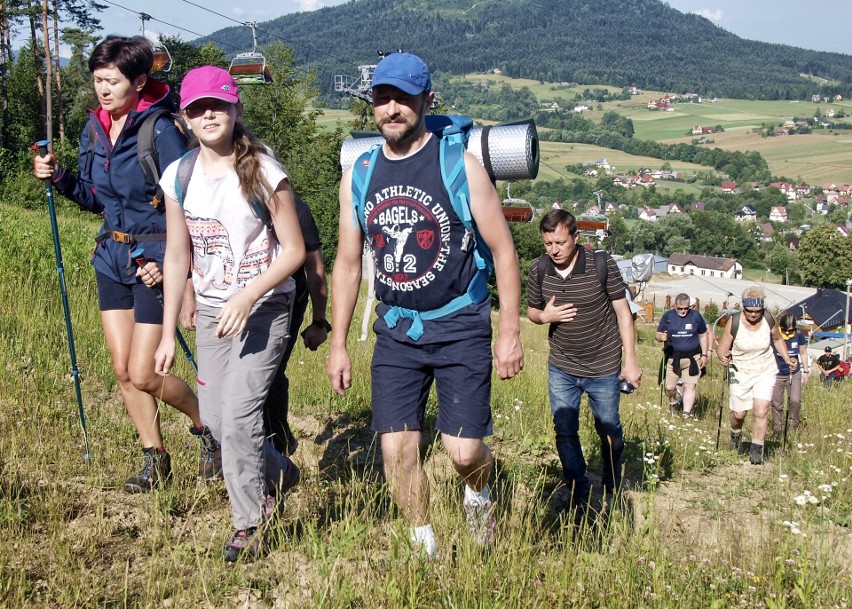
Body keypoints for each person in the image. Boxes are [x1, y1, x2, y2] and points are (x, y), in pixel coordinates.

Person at [326, 53, 524, 559]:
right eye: (382, 98)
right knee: (396, 451)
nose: (392, 109)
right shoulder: (360, 174)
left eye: (403, 99)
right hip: (396, 331)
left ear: (426, 101)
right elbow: (347, 264)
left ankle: (479, 493)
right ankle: (425, 548)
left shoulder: (459, 165)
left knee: (462, 453)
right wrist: (339, 343)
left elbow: (504, 251)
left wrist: (509, 332)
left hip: (459, 324)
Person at [32, 36, 217, 492]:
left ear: (139, 80)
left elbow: (189, 204)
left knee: (144, 372)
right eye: (97, 80)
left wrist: (185, 275)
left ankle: (207, 428)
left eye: (112, 81)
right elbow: (96, 199)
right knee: (121, 370)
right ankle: (155, 458)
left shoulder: (161, 131)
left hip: (155, 258)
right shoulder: (94, 130)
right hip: (110, 257)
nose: (103, 90)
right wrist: (58, 178)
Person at [153, 66, 305, 562]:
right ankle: (278, 470)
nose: (208, 114)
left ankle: (250, 522)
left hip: (265, 309)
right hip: (215, 314)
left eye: (218, 105)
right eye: (197, 108)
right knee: (216, 423)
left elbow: (294, 251)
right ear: (186, 119)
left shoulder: (262, 169)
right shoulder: (179, 175)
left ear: (236, 109)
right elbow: (178, 255)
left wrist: (248, 295)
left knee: (239, 419)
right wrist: (169, 331)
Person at [527, 209, 642, 516]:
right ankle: (578, 486)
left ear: (576, 238)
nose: (554, 250)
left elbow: (623, 314)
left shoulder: (600, 264)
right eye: (548, 243)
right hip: (562, 366)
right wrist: (544, 317)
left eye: (560, 242)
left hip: (603, 366)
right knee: (564, 429)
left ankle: (612, 478)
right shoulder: (539, 269)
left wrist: (630, 362)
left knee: (608, 429)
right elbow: (532, 311)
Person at [263, 194, 329, 455]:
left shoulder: (296, 208)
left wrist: (319, 322)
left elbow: (316, 271)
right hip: (238, 298)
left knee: (271, 371)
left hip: (288, 298)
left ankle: (278, 446)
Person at [716, 288, 797, 465]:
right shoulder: (734, 321)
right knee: (739, 414)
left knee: (761, 410)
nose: (753, 315)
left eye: (757, 312)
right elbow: (722, 348)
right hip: (740, 370)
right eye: (749, 311)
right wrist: (723, 356)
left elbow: (777, 339)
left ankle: (756, 450)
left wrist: (787, 358)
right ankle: (735, 434)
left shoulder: (769, 319)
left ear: (762, 309)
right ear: (743, 308)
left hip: (765, 370)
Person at [655, 293, 709, 418]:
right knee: (669, 388)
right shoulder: (668, 316)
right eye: (680, 308)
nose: (683, 311)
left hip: (693, 358)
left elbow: (703, 335)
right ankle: (673, 402)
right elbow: (657, 334)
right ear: (675, 306)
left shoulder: (696, 316)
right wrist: (661, 337)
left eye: (686, 308)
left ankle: (686, 414)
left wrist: (704, 354)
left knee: (690, 385)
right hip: (673, 358)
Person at [770, 314, 808, 435]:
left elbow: (803, 353)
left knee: (795, 401)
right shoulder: (775, 334)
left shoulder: (799, 334)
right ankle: (778, 429)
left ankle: (793, 427)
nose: (787, 332)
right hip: (777, 373)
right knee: (777, 403)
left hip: (794, 373)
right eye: (784, 329)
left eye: (790, 330)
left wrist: (806, 371)